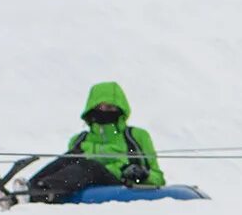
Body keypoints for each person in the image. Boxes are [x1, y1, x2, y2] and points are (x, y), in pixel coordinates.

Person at [24, 81, 165, 203]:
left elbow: (158, 178)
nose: (104, 112)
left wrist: (144, 174)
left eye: (110, 108)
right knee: (71, 156)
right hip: (86, 182)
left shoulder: (136, 136)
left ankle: (43, 192)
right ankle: (31, 187)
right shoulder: (79, 140)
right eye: (100, 108)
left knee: (89, 164)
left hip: (118, 180)